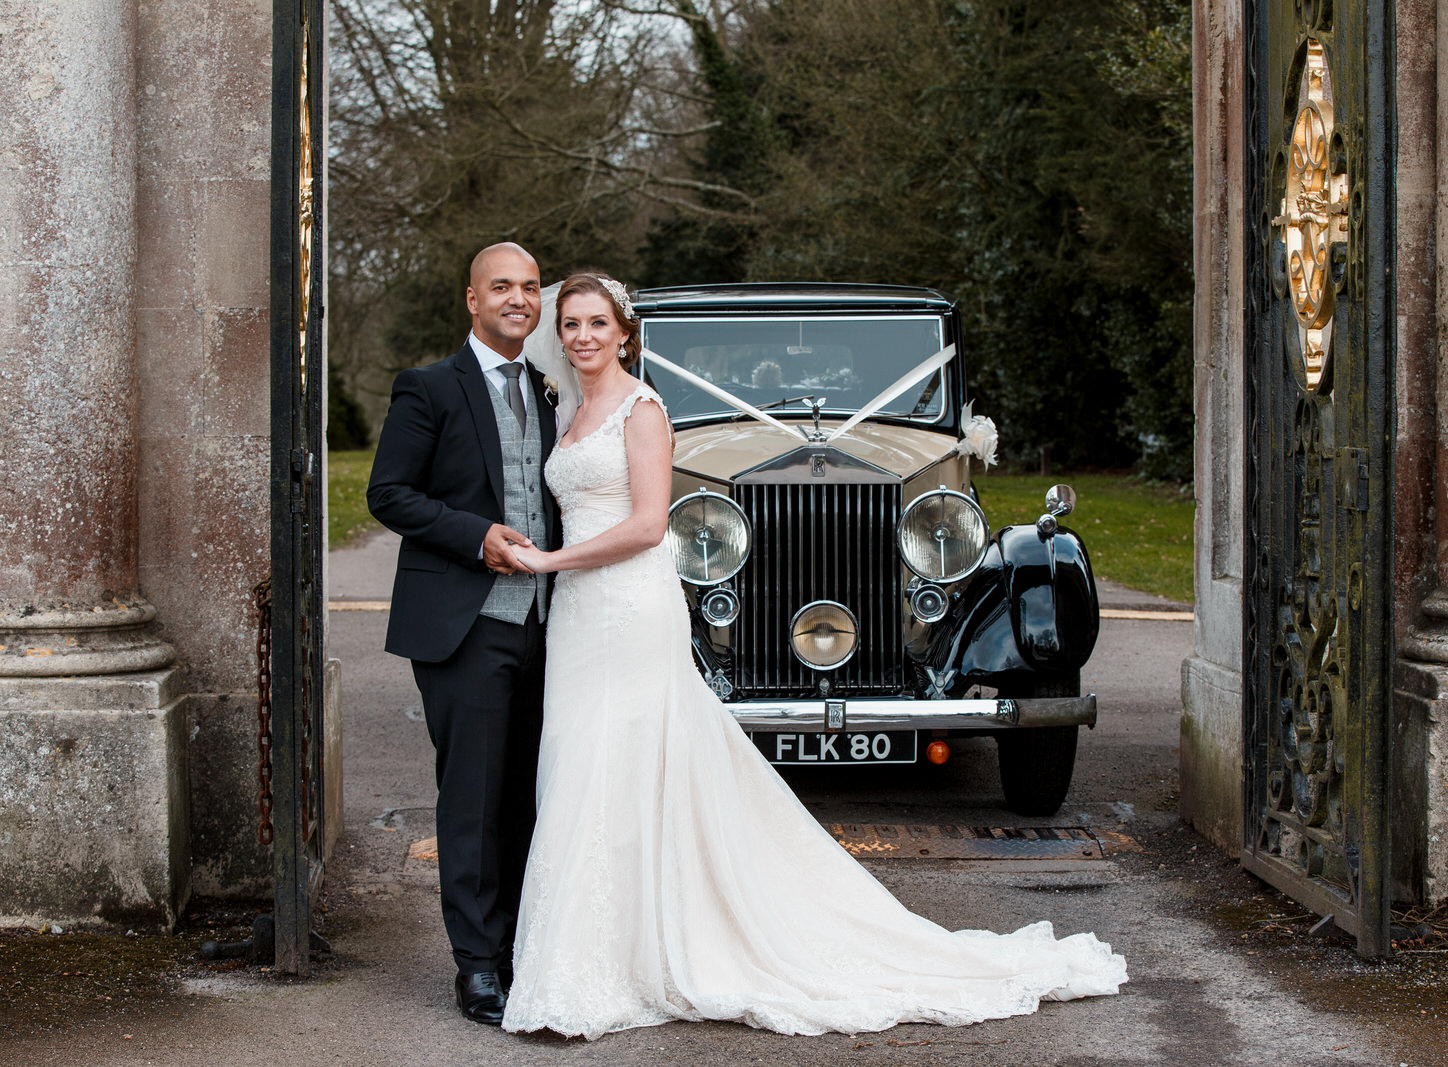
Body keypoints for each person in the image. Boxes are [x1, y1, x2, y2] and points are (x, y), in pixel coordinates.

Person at [499, 273, 1127, 1039]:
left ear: (624, 335)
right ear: (563, 335)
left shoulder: (643, 408)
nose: (584, 335)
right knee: (590, 765)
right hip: (597, 612)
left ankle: (644, 944)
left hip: (613, 595)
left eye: (598, 322)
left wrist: (548, 562)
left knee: (623, 763)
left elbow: (641, 523)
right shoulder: (564, 406)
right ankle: (598, 949)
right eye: (573, 324)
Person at [366, 243, 561, 1025]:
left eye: (530, 287)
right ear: (471, 300)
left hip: (548, 626)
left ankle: (518, 948)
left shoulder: (552, 390)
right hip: (464, 622)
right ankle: (476, 966)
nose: (519, 298)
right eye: (502, 287)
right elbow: (388, 492)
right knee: (473, 800)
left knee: (527, 795)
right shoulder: (429, 388)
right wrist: (473, 532)